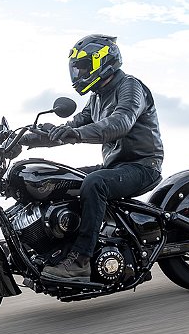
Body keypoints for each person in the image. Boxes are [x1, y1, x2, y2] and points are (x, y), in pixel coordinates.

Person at [22, 34, 164, 282]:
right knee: (60, 179)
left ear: (103, 61)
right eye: (78, 68)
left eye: (85, 66)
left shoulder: (131, 87)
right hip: (115, 166)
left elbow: (120, 122)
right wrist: (27, 138)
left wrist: (75, 134)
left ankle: (80, 260)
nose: (79, 73)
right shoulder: (96, 96)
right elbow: (70, 127)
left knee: (94, 183)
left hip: (142, 166)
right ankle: (54, 248)